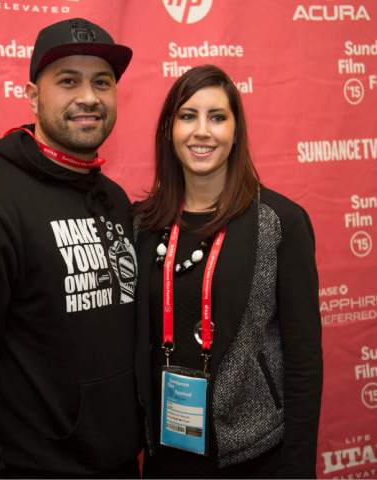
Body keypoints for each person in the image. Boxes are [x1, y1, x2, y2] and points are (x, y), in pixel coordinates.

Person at [0, 18, 142, 478]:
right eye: (67, 81)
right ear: (32, 95)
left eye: (102, 82)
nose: (89, 97)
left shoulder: (116, 200)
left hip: (120, 465)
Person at [134, 65, 323, 478]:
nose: (202, 131)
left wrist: (298, 468)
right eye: (188, 116)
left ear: (236, 132)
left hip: (257, 459)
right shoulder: (143, 225)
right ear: (169, 130)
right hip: (167, 456)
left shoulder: (280, 222)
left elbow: (304, 361)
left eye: (217, 117)